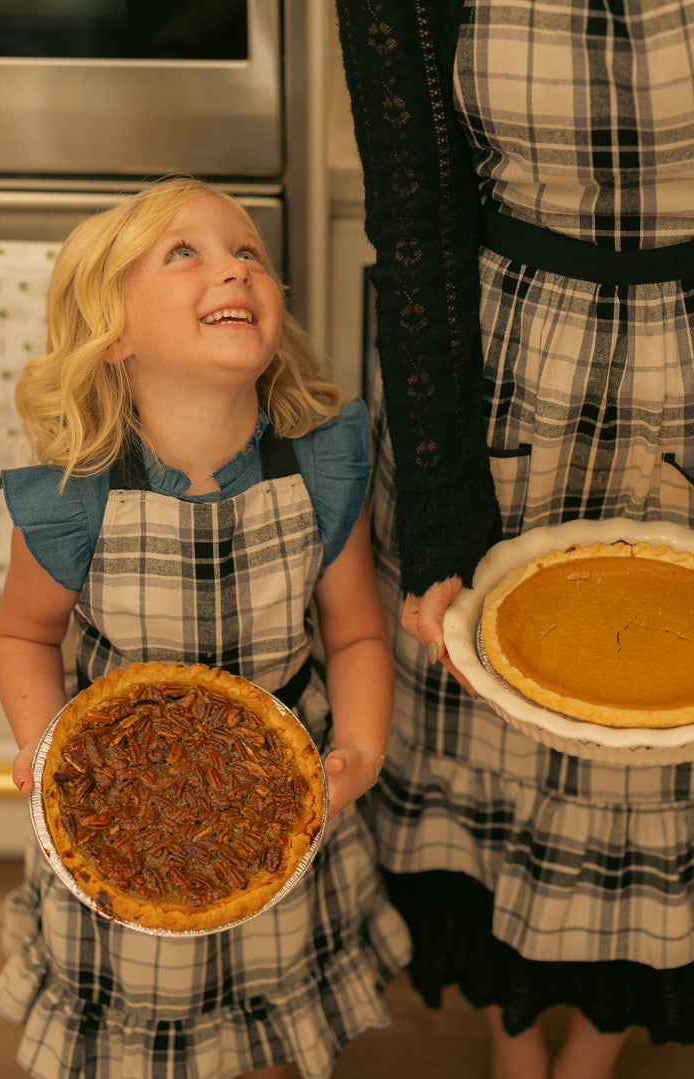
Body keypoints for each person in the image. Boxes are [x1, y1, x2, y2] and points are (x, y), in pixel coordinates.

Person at [335, 1, 694, 1077]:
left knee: (660, 772)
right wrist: (444, 503)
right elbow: (419, 222)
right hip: (500, 376)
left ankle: (592, 1044)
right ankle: (511, 1037)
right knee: (492, 732)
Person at [0, 176, 411, 1079]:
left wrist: (363, 752)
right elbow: (23, 637)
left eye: (247, 252)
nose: (234, 268)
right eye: (187, 252)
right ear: (115, 335)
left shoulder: (321, 462)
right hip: (114, 816)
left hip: (279, 809)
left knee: (264, 1028)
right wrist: (41, 742)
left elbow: (358, 637)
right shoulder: (75, 495)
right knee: (137, 1040)